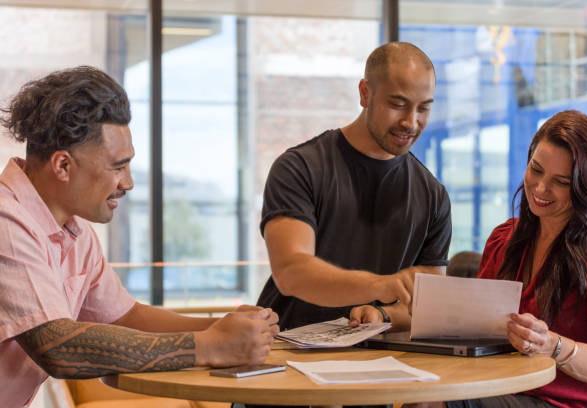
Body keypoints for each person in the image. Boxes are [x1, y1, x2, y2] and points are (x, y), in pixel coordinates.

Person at [0, 66, 279, 408]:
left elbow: (125, 317)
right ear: (62, 166)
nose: (128, 183)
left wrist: (221, 327)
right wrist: (208, 346)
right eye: (118, 167)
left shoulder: (74, 231)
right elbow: (58, 348)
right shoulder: (6, 221)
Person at [256, 41, 451, 333]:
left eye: (423, 108)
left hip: (376, 360)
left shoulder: (433, 195)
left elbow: (427, 307)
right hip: (286, 352)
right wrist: (380, 285)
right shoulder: (300, 167)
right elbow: (292, 272)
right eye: (398, 105)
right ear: (365, 93)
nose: (411, 122)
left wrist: (382, 314)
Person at [443, 110, 587, 408]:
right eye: (536, 169)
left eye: (561, 181)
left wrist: (554, 346)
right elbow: (481, 332)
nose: (541, 188)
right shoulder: (504, 240)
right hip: (504, 387)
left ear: (586, 187)